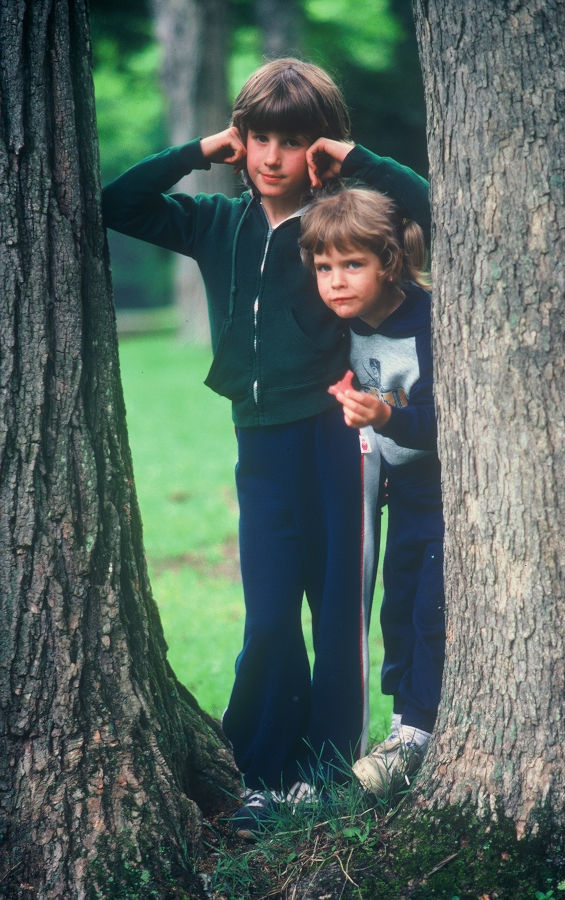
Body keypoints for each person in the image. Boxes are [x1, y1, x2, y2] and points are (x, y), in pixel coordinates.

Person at [102, 58, 430, 834]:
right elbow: (119, 203)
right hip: (259, 440)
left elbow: (423, 205)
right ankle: (260, 771)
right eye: (261, 139)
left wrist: (351, 159)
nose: (275, 157)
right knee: (271, 608)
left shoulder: (335, 222)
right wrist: (197, 152)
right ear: (241, 142)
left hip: (338, 438)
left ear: (316, 148)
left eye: (294, 140)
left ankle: (323, 770)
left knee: (339, 605)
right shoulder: (214, 223)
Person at [300, 186, 444, 795]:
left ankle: (422, 725)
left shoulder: (432, 320)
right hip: (397, 491)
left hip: (441, 491)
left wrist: (387, 421)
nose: (335, 282)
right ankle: (402, 723)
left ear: (389, 260)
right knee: (396, 603)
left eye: (352, 264)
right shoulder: (344, 328)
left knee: (430, 605)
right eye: (324, 268)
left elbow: (457, 420)